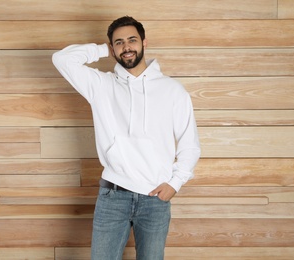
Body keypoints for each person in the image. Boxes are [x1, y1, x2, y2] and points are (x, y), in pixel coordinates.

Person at [52, 16, 201, 260]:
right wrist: (103, 49)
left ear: (144, 42)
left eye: (132, 40)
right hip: (113, 196)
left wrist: (175, 184)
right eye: (119, 43)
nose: (127, 47)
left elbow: (190, 144)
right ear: (113, 48)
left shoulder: (172, 90)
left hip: (154, 199)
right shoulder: (101, 85)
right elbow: (61, 59)